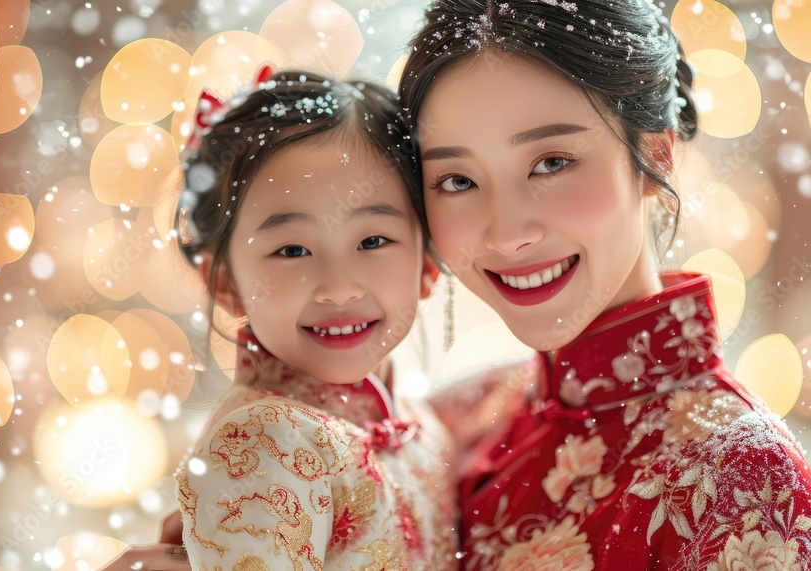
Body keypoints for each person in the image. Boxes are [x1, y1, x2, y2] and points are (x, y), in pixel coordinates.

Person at [399, 0, 811, 569]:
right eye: (458, 179)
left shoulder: (741, 481)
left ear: (654, 154)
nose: (507, 233)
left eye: (551, 163)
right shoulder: (456, 420)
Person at [105, 69, 458, 571]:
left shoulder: (424, 425)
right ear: (225, 282)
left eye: (373, 241)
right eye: (292, 250)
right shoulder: (264, 440)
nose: (339, 286)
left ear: (426, 265)